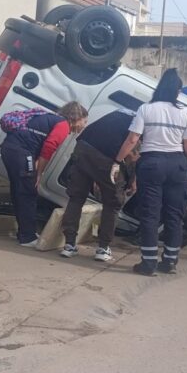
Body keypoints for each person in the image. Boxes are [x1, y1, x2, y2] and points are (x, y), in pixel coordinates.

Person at [116, 69, 187, 276]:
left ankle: (148, 263)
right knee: (174, 216)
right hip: (178, 165)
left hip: (152, 163)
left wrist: (116, 161)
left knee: (150, 215)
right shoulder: (186, 112)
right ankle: (170, 262)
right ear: (177, 91)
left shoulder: (146, 109)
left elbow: (133, 139)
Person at [0, 101, 88, 248]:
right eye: (84, 121)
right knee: (28, 193)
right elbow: (49, 147)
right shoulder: (63, 125)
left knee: (19, 191)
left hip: (10, 150)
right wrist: (39, 173)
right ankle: (27, 237)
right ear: (76, 117)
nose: (84, 125)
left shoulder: (51, 119)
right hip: (21, 153)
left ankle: (25, 233)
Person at [59, 108, 135, 262]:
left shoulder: (120, 112)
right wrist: (132, 179)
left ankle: (69, 245)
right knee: (112, 204)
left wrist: (96, 176)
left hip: (83, 148)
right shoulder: (145, 123)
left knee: (76, 199)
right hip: (107, 159)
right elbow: (133, 154)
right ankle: (103, 248)